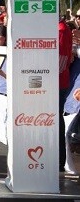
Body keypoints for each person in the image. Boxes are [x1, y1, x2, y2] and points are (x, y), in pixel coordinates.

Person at [59, 15, 73, 172]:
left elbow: (62, 61)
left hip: (58, 83)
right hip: (57, 82)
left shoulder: (61, 30)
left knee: (56, 121)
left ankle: (59, 160)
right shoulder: (60, 29)